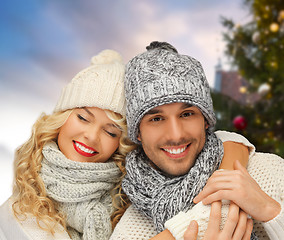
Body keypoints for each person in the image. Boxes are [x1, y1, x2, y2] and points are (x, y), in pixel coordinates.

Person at [110, 41, 284, 240]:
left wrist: (272, 213)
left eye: (187, 114)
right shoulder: (130, 230)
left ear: (206, 120)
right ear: (138, 132)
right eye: (156, 119)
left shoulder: (269, 174)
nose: (176, 135)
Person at [0, 49, 135, 240]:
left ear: (120, 144)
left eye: (110, 132)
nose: (91, 136)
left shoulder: (131, 205)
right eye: (83, 118)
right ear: (62, 118)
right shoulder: (18, 211)